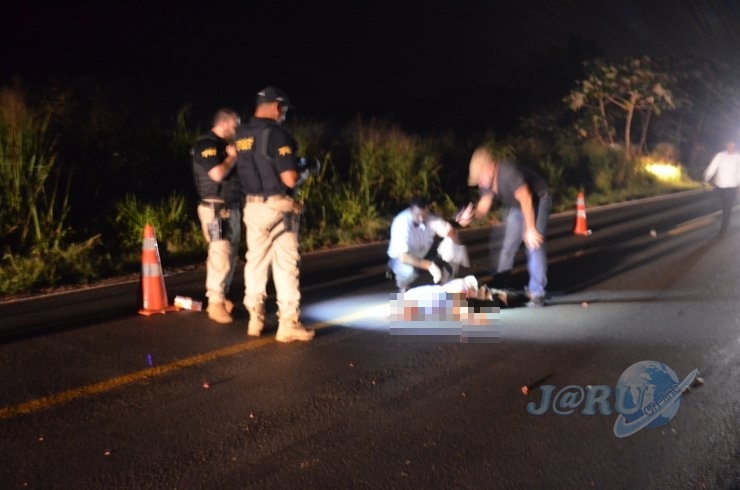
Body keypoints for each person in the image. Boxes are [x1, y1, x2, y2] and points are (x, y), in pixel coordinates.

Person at [234, 86, 314, 342]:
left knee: (255, 262)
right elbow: (289, 179)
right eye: (285, 109)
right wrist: (307, 171)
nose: (285, 114)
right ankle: (288, 323)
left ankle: (255, 319)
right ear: (277, 106)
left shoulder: (241, 134)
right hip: (278, 207)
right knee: (285, 265)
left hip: (252, 207)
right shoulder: (278, 134)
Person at [456, 145, 552, 307]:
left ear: (490, 167)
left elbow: (526, 198)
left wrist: (529, 229)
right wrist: (470, 216)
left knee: (533, 243)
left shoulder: (508, 172)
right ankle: (500, 285)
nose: (479, 183)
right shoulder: (486, 182)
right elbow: (483, 207)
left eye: (480, 178)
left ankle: (537, 292)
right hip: (517, 205)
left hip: (539, 199)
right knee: (507, 245)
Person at [191, 108, 243, 324]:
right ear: (225, 123)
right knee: (220, 252)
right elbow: (217, 174)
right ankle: (215, 301)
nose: (237, 129)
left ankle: (223, 296)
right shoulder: (207, 145)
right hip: (214, 209)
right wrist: (232, 158)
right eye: (235, 125)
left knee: (230, 255)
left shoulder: (224, 146)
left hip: (231, 207)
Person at [387, 197, 468, 293]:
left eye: (424, 215)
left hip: (423, 254)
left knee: (452, 247)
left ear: (427, 211)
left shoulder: (431, 218)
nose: (421, 219)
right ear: (411, 211)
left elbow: (451, 232)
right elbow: (403, 257)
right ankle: (403, 288)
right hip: (403, 257)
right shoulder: (402, 222)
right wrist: (429, 266)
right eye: (417, 215)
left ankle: (447, 284)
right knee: (408, 272)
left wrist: (455, 247)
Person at [703, 139, 740, 235]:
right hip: (720, 186)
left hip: (732, 187)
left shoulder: (738, 157)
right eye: (729, 145)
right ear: (726, 145)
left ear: (735, 146)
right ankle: (718, 217)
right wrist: (706, 178)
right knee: (717, 204)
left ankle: (724, 228)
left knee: (727, 208)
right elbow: (712, 167)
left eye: (733, 146)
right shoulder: (720, 156)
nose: (730, 148)